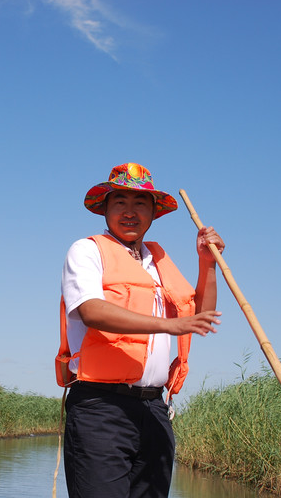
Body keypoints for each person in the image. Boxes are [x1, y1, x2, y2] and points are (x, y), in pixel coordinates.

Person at [57, 163, 225, 498]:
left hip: (154, 409)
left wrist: (207, 263)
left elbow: (202, 316)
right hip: (100, 408)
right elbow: (92, 311)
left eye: (140, 204)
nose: (130, 212)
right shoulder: (87, 251)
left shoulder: (159, 261)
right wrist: (169, 324)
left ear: (153, 213)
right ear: (105, 209)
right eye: (120, 203)